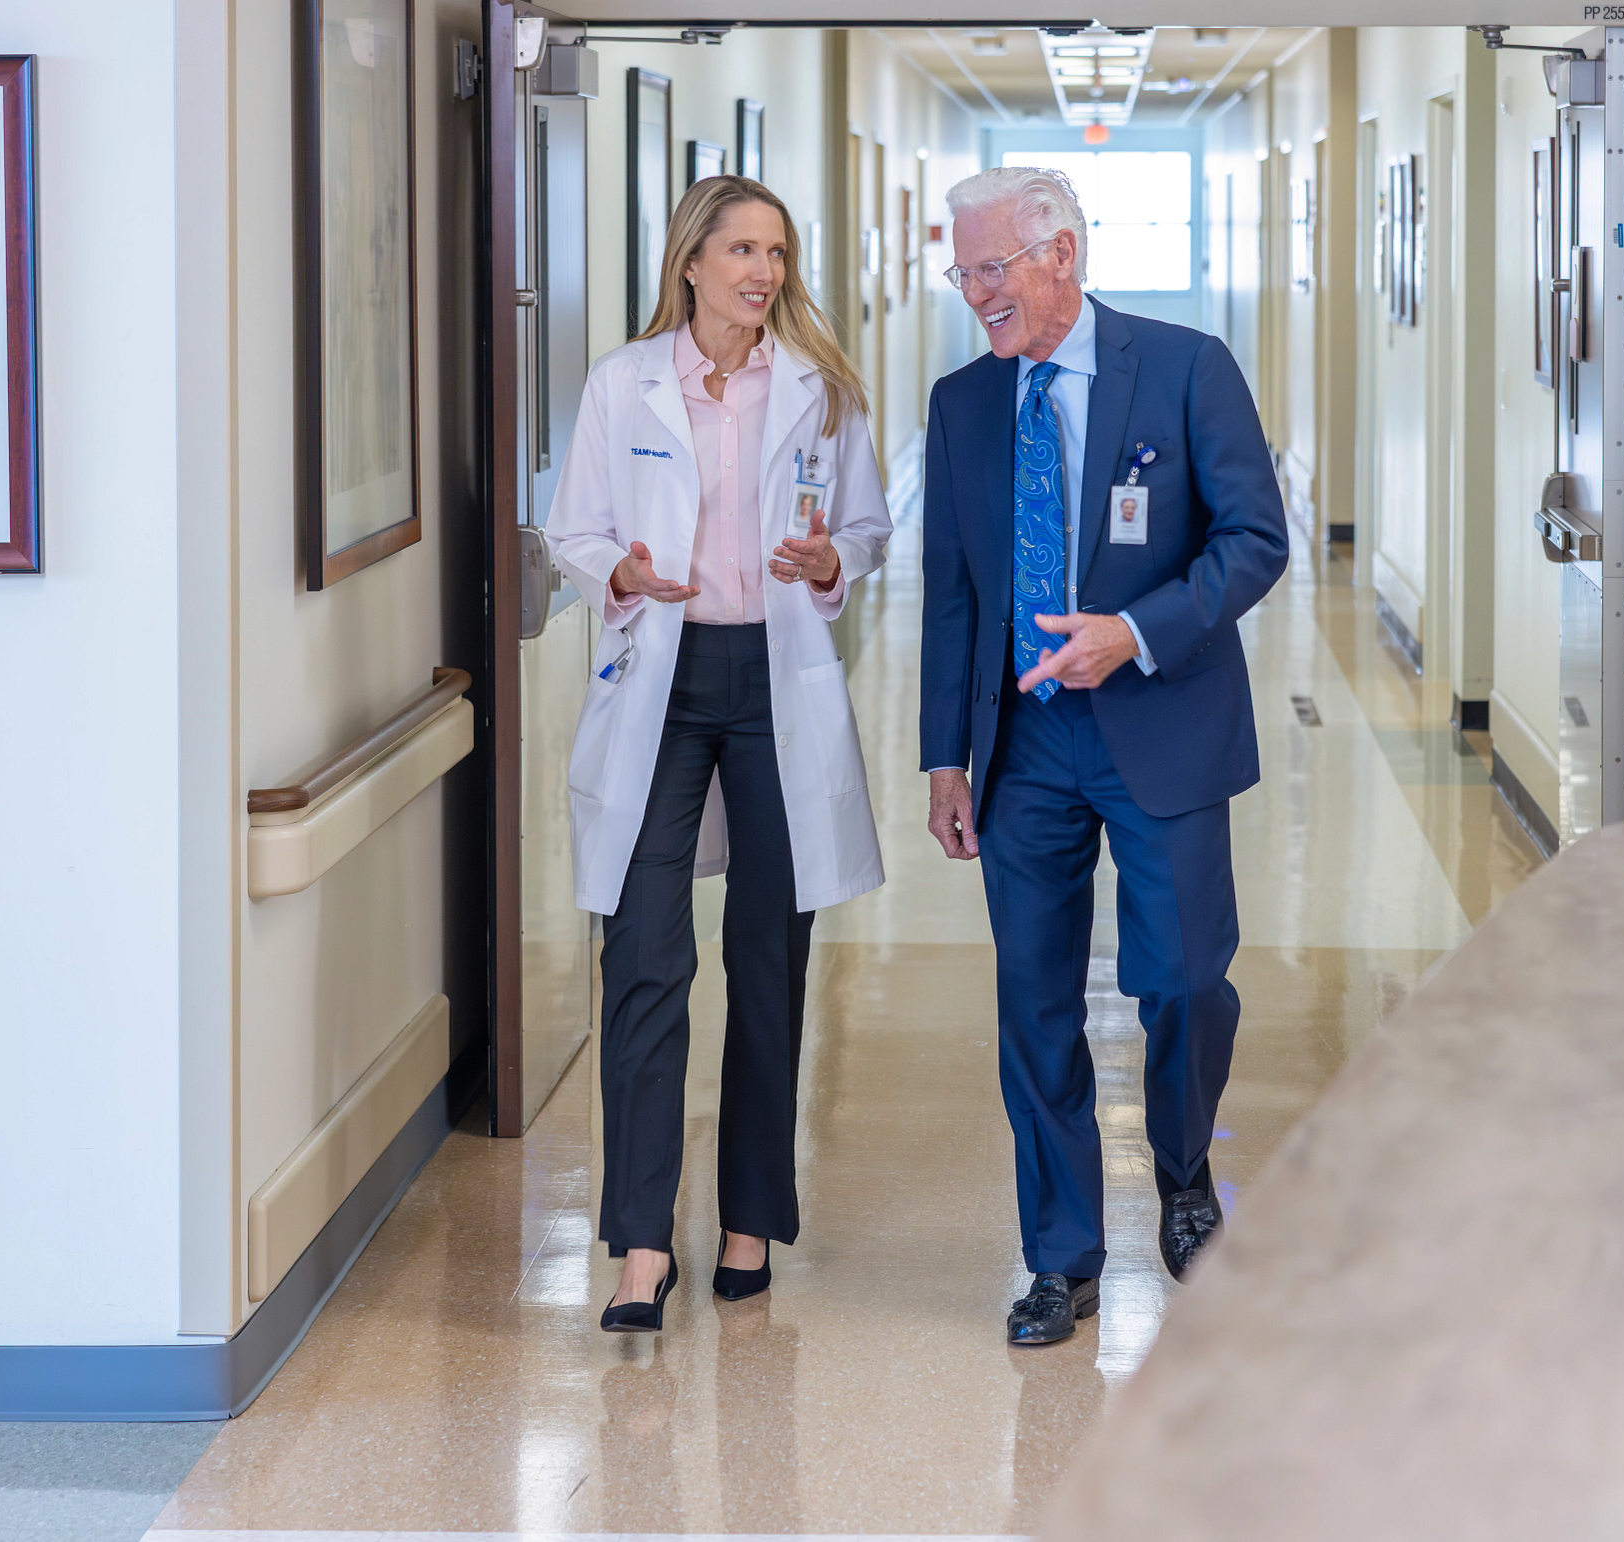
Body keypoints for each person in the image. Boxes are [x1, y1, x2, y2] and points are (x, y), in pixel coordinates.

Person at [919, 166, 1287, 1346]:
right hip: (1024, 745)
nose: (974, 293)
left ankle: (1182, 1176)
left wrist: (1132, 632)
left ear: (1062, 255)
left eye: (992, 268)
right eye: (960, 269)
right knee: (1032, 1003)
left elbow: (1254, 541)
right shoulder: (963, 403)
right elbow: (951, 596)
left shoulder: (1182, 369)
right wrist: (943, 757)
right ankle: (1059, 1254)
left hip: (1158, 721)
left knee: (1181, 978)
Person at [548, 174, 891, 1335]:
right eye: (741, 248)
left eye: (777, 252)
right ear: (690, 260)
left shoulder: (822, 392)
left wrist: (829, 563)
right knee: (642, 955)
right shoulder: (622, 382)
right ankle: (641, 1242)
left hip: (774, 681)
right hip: (663, 679)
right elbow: (573, 527)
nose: (762, 271)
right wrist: (620, 575)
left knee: (769, 958)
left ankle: (749, 1219)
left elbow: (866, 527)